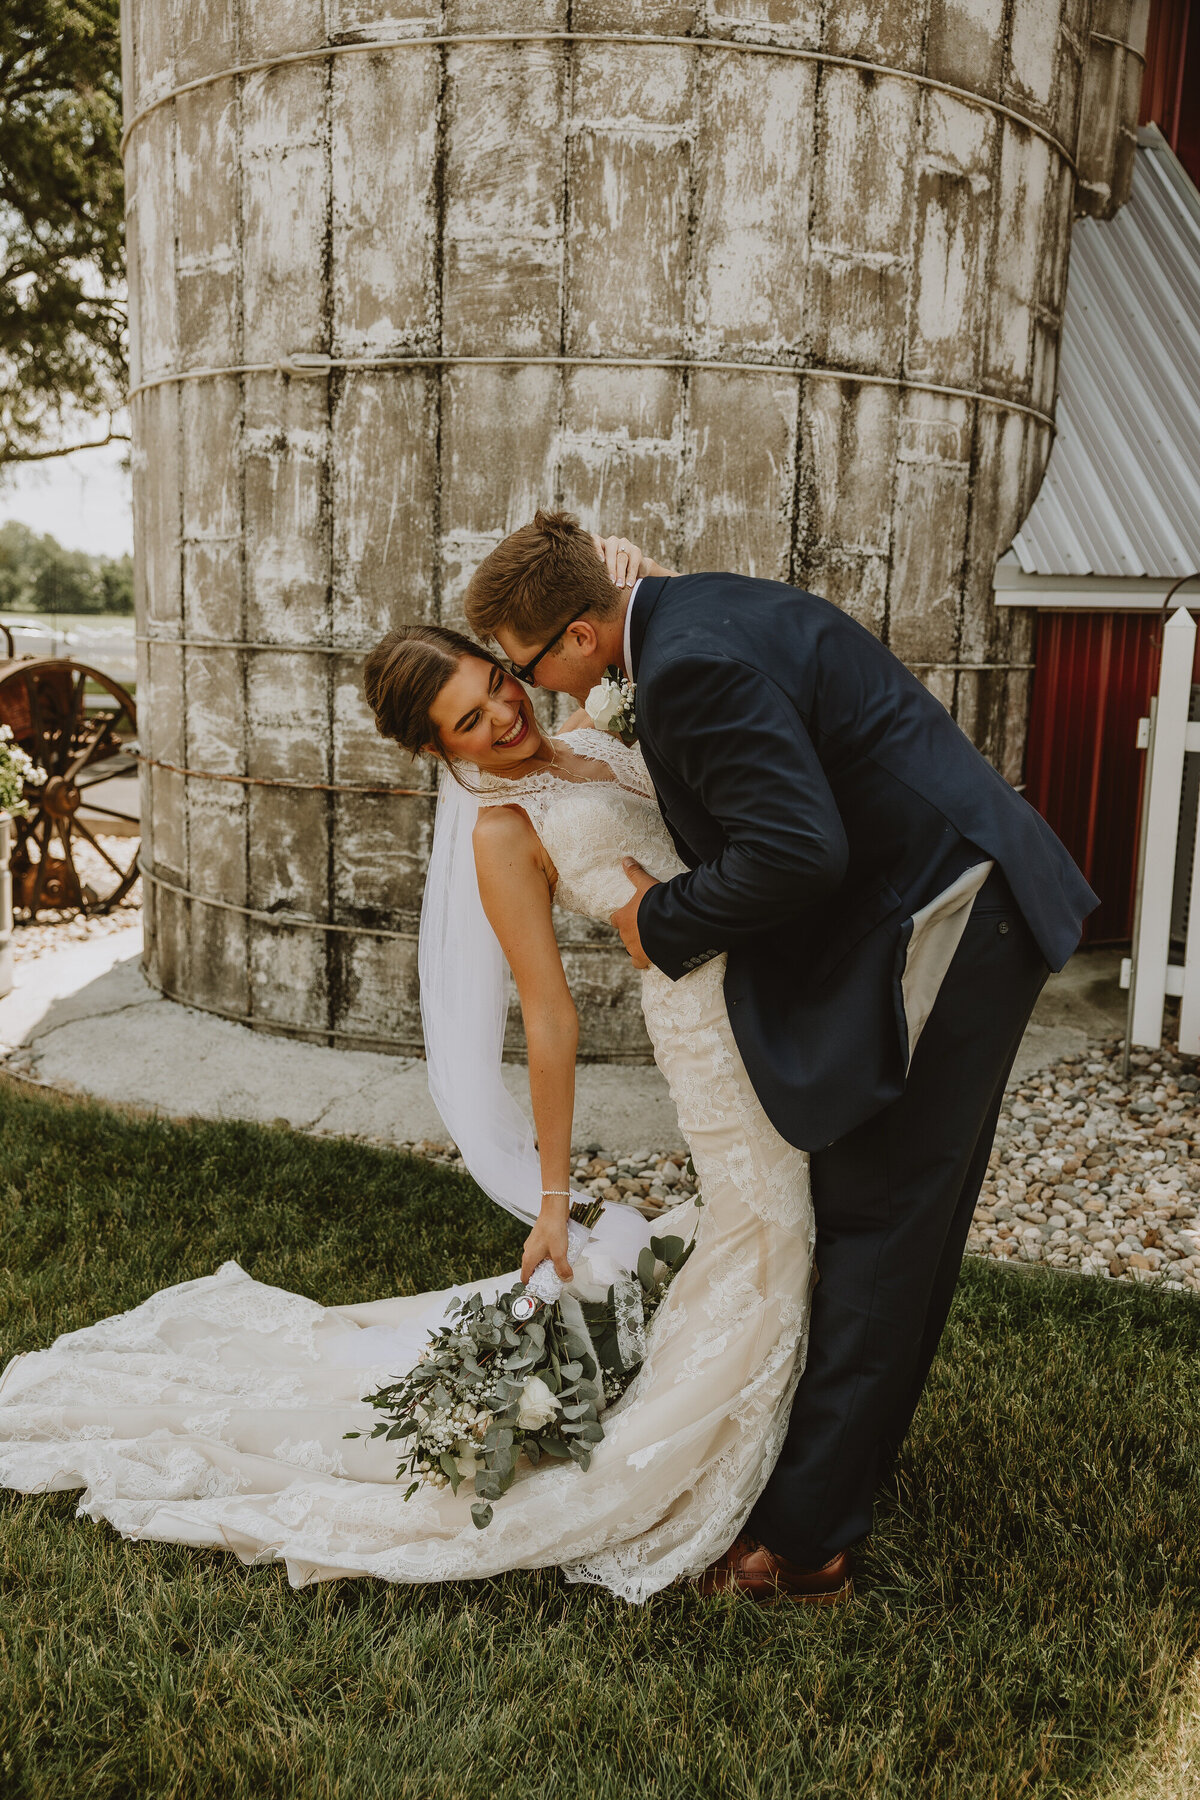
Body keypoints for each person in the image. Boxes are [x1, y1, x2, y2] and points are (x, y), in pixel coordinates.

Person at [0, 597, 834, 1605]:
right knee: (769, 1224)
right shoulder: (501, 832)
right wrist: (556, 1202)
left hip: (768, 992)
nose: (503, 720)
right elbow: (550, 1019)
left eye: (497, 687)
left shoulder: (590, 736)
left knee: (781, 1224)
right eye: (471, 722)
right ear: (435, 747)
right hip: (701, 1022)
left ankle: (796, 1453)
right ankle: (727, 1476)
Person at [463, 511, 1098, 1599]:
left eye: (526, 670)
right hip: (965, 896)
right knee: (905, 1216)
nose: (534, 698)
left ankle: (803, 1547)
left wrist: (659, 923)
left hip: (947, 919)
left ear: (577, 636)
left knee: (876, 1218)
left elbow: (798, 850)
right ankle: (836, 1480)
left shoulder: (689, 670)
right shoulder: (699, 609)